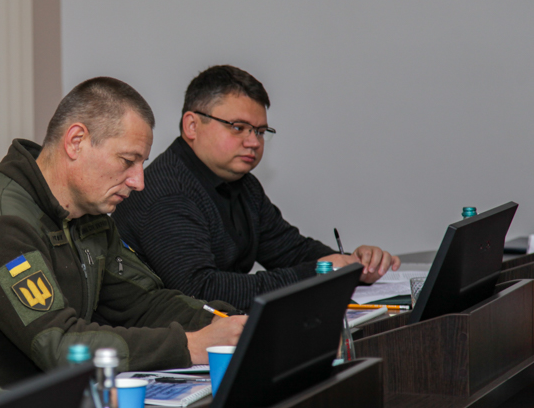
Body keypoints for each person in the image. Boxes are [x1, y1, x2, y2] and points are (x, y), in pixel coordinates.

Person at [0, 77, 247, 387]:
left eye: (141, 163)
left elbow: (143, 303)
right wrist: (190, 345)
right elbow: (60, 345)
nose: (139, 181)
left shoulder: (88, 215)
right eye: (128, 160)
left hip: (56, 396)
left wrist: (224, 322)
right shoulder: (1, 223)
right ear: (76, 141)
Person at [112, 65, 400, 312]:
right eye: (238, 127)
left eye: (260, 132)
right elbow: (201, 291)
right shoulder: (167, 192)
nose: (253, 142)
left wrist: (354, 264)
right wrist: (319, 272)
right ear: (192, 126)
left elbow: (291, 250)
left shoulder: (244, 185)